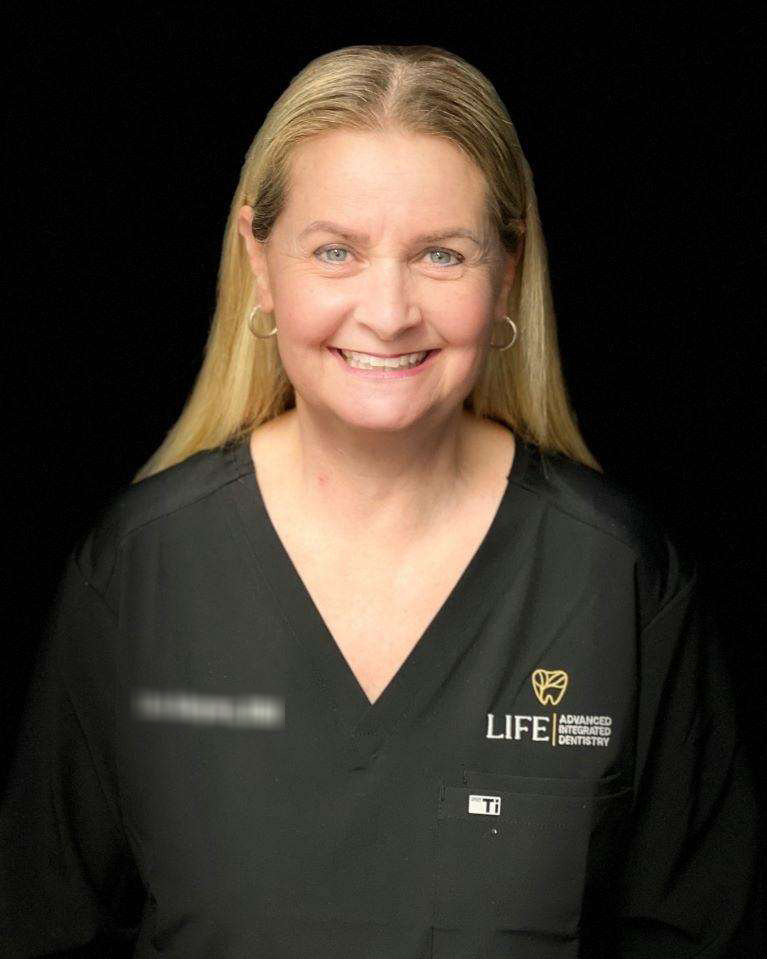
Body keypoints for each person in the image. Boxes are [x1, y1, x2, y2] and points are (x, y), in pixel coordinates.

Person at [0, 43, 761, 959]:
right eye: (336, 251)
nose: (388, 310)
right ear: (260, 259)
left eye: (441, 253)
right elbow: (44, 929)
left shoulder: (618, 574)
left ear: (507, 269)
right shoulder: (139, 567)